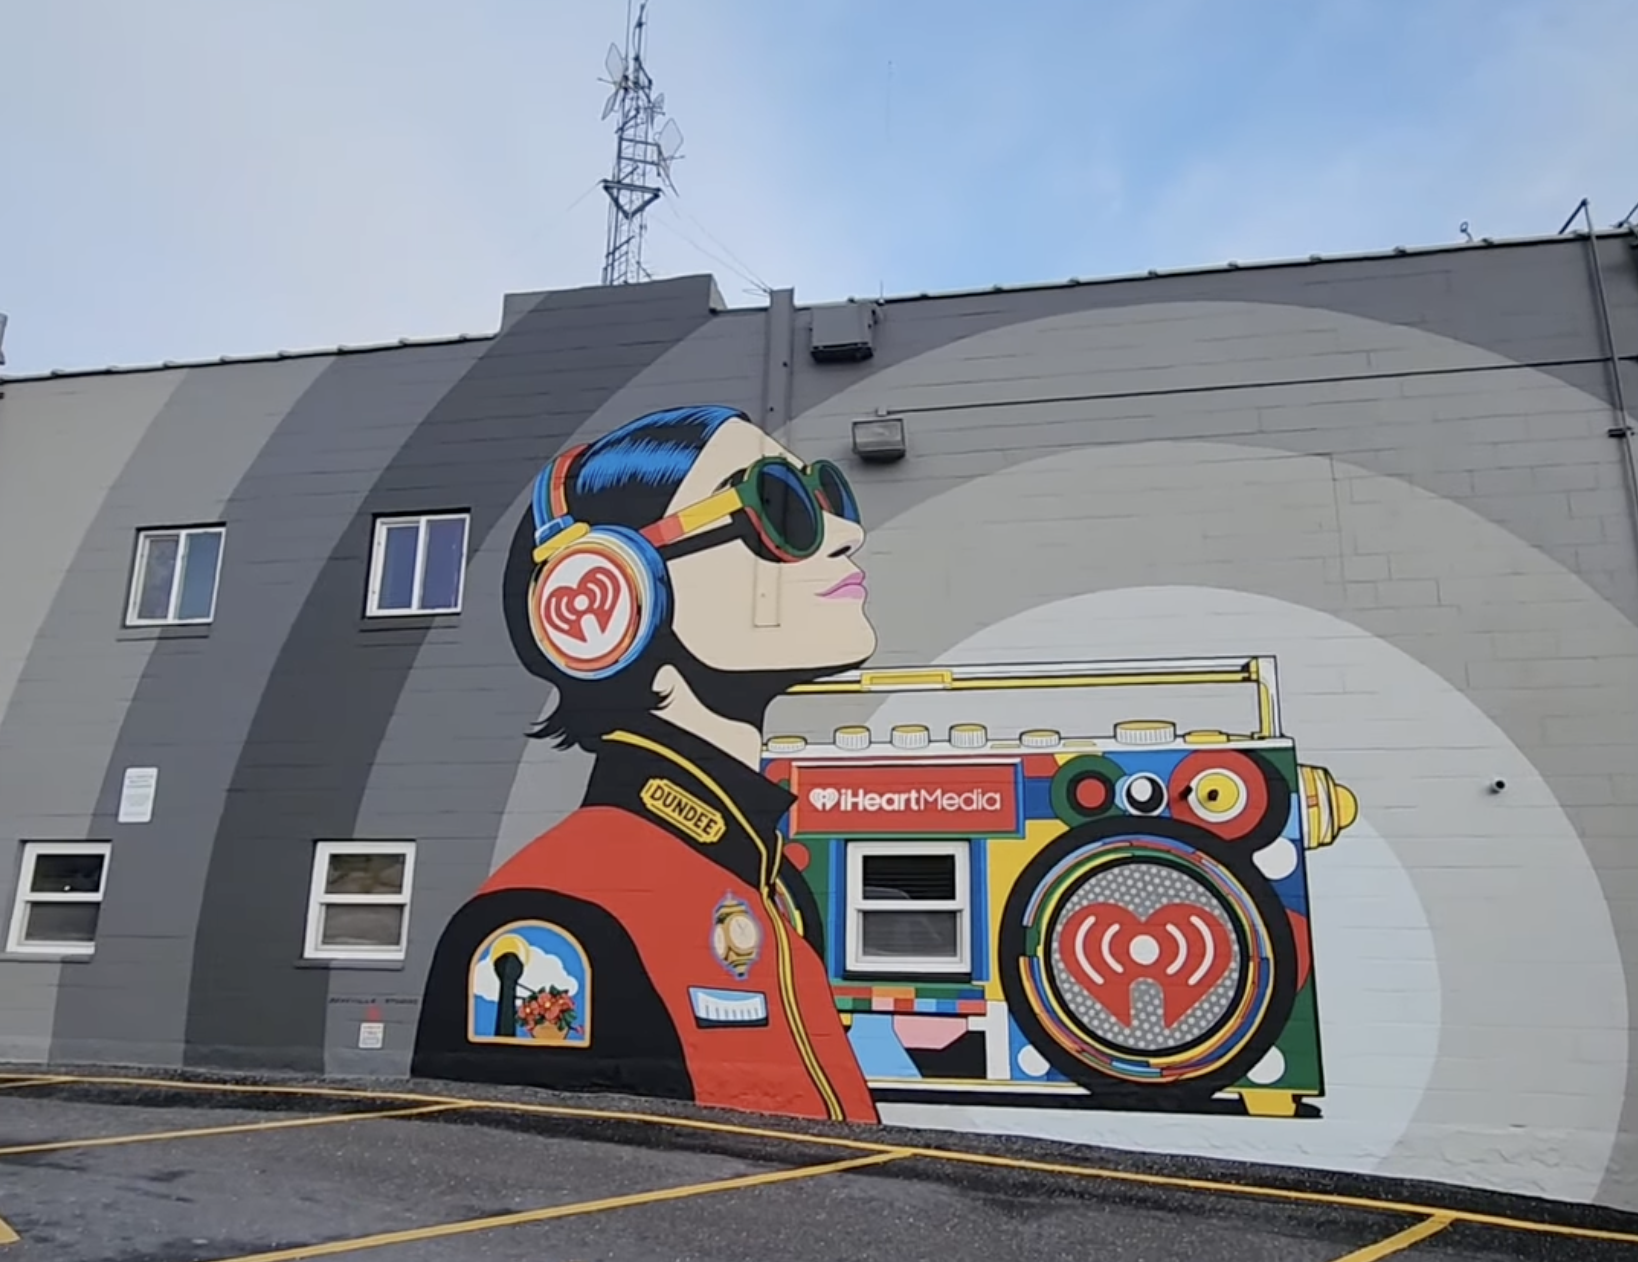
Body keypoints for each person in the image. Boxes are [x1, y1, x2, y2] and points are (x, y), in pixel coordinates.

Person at [412, 405, 880, 1124]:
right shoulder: (550, 923)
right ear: (608, 597)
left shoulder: (772, 886)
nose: (846, 533)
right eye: (779, 505)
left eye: (826, 496)